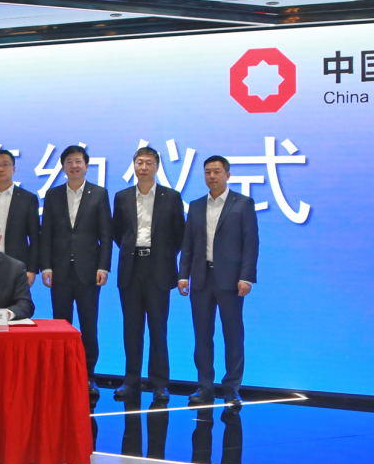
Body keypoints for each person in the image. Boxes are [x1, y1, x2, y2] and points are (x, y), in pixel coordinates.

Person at [178, 155, 258, 405]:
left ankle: (232, 388)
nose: (212, 176)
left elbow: (251, 243)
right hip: (201, 278)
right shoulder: (196, 205)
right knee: (202, 335)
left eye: (216, 171)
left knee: (232, 335)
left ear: (227, 175)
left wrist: (246, 277)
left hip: (231, 280)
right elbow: (188, 244)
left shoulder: (242, 203)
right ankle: (205, 387)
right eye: (207, 172)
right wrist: (183, 275)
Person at [112, 147, 185, 403]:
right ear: (133, 165)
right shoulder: (122, 197)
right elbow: (118, 232)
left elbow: (179, 234)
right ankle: (131, 381)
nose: (144, 167)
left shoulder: (171, 197)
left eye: (149, 163)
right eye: (139, 162)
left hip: (159, 270)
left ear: (157, 166)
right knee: (131, 329)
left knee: (158, 329)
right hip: (131, 269)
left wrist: (163, 255)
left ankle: (160, 384)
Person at [40, 145, 113, 398]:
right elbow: (46, 234)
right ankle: (62, 373)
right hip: (59, 271)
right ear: (63, 167)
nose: (74, 165)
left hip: (89, 272)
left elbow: (106, 234)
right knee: (61, 326)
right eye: (69, 161)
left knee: (89, 325)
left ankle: (89, 375)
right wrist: (46, 266)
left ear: (86, 166)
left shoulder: (99, 194)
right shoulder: (53, 195)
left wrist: (104, 266)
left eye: (78, 161)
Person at [0, 149, 40, 287]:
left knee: (16, 301)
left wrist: (32, 269)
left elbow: (35, 238)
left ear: (13, 169)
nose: (0, 169)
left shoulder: (28, 199)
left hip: (18, 265)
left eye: (5, 164)